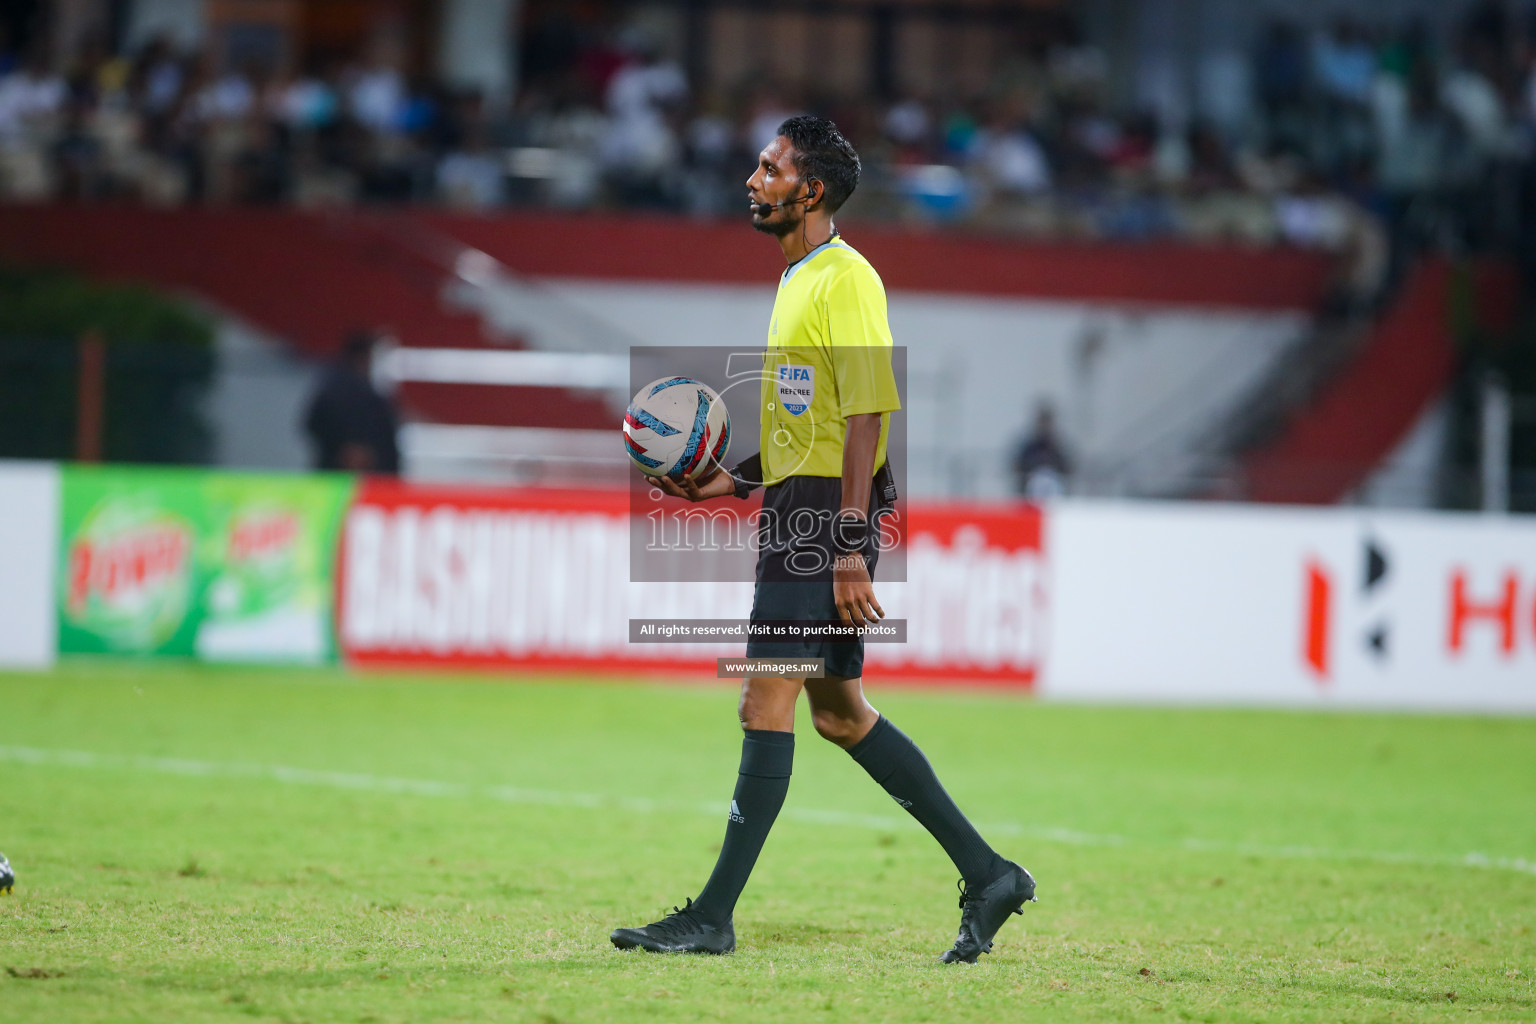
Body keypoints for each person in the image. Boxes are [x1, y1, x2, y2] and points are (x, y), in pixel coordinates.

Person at [610, 115, 1035, 962]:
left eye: (768, 168)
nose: (752, 179)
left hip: (820, 525)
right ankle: (990, 875)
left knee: (761, 703)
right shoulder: (799, 280)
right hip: (802, 508)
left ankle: (712, 918)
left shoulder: (848, 279)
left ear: (810, 191)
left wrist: (844, 542)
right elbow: (812, 415)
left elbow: (871, 410)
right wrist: (731, 481)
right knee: (839, 716)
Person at [301, 329, 400, 474]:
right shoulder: (334, 390)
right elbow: (313, 424)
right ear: (363, 357)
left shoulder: (373, 394)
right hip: (337, 476)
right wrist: (341, 450)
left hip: (369, 478)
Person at [1011, 404, 1072, 498]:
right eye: (1042, 422)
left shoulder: (1057, 447)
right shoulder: (1029, 447)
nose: (1045, 426)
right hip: (1029, 495)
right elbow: (1018, 465)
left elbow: (1067, 467)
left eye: (1047, 423)